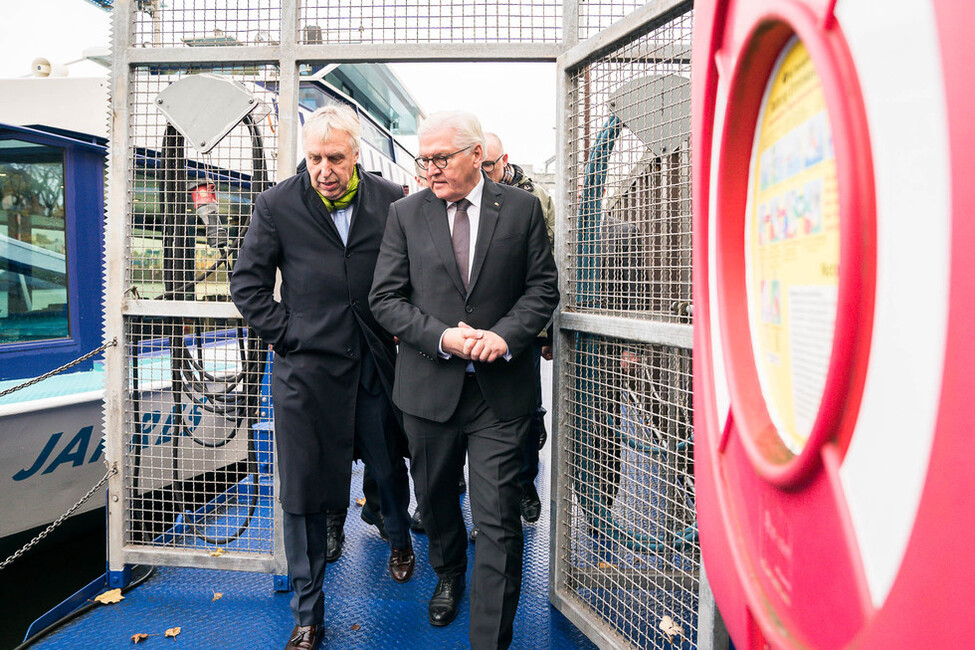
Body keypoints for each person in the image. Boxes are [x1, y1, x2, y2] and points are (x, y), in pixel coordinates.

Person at [370, 110, 559, 649]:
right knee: (434, 500)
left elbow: (542, 289)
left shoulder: (520, 210)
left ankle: (489, 641)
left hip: (501, 392)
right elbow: (385, 298)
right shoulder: (406, 214)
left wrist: (505, 335)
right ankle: (449, 573)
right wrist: (441, 337)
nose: (429, 168)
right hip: (428, 390)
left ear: (477, 155)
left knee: (499, 521)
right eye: (422, 159)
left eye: (440, 158)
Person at [230, 104, 415, 650]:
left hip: (373, 366)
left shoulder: (392, 200)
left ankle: (399, 539)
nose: (324, 169)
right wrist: (289, 334)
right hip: (305, 373)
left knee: (387, 466)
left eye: (335, 158)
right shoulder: (276, 204)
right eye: (314, 158)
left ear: (356, 156)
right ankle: (308, 613)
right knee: (304, 492)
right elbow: (249, 287)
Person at [472, 132, 555, 538]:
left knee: (524, 412)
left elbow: (548, 268)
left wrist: (544, 331)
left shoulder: (534, 200)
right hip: (477, 327)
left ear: (503, 159)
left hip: (521, 327)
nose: (482, 173)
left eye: (488, 166)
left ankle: (524, 485)